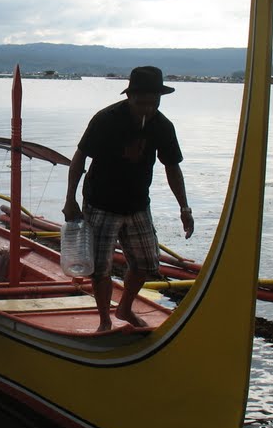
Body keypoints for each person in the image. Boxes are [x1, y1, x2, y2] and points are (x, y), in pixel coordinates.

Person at [63, 66, 194, 331]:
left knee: (146, 263)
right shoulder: (106, 119)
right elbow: (79, 159)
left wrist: (184, 207)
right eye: (140, 102)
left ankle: (124, 308)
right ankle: (104, 321)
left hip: (137, 205)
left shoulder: (162, 126)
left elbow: (172, 167)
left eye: (153, 102)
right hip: (101, 203)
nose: (146, 108)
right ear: (129, 97)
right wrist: (70, 199)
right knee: (100, 268)